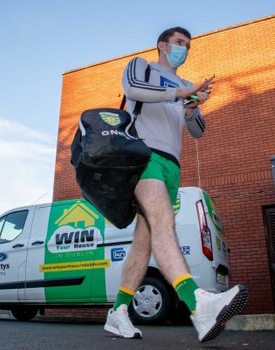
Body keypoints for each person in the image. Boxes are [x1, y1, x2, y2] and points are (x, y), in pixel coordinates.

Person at [103, 27, 248, 343]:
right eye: (179, 43)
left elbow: (196, 130)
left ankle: (118, 312)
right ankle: (199, 304)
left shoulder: (185, 85)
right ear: (163, 46)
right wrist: (180, 94)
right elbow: (135, 89)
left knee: (145, 240)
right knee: (163, 222)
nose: (184, 48)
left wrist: (193, 105)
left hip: (171, 164)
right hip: (142, 153)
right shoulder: (143, 66)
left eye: (188, 45)